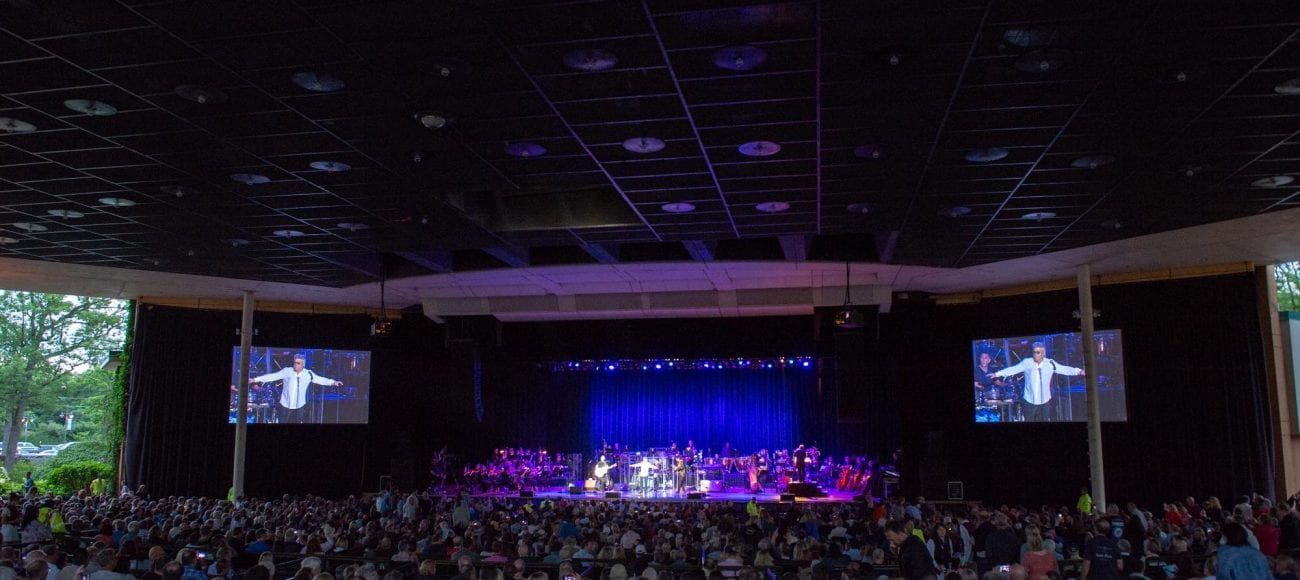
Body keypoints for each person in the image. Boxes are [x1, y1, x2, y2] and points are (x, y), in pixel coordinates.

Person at [988, 341, 1084, 422]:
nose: (1035, 354)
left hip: (1044, 401)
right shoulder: (1027, 362)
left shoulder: (1050, 363)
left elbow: (1064, 369)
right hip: (1029, 400)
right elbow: (1014, 369)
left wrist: (1079, 371)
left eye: (1037, 352)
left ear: (1043, 353)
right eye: (1034, 352)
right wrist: (997, 374)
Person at [250, 355, 342, 424]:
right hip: (285, 405)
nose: (295, 364)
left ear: (303, 364)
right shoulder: (287, 371)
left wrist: (333, 382)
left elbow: (320, 379)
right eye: (294, 362)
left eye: (298, 363)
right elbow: (272, 376)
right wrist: (255, 379)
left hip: (299, 406)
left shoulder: (308, 374)